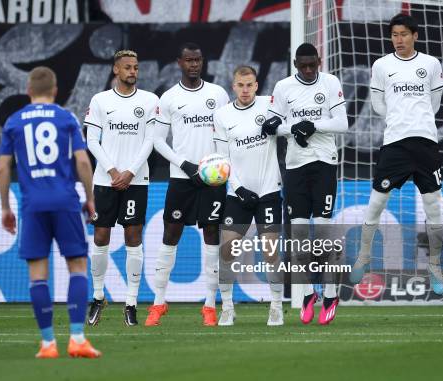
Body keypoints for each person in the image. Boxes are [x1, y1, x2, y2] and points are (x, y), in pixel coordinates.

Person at [0, 66, 101, 359]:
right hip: (66, 201)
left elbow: (4, 167)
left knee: (37, 275)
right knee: (78, 267)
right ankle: (78, 339)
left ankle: (47, 344)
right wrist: (90, 197)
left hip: (32, 205)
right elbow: (82, 162)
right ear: (55, 91)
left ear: (28, 90)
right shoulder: (66, 117)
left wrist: (5, 206)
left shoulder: (14, 122)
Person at [350, 14, 443, 295]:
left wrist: (417, 119)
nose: (399, 39)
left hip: (426, 143)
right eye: (394, 35)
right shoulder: (382, 65)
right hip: (395, 144)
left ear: (414, 35)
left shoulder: (430, 64)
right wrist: (399, 117)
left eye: (404, 34)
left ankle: (435, 266)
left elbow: (435, 104)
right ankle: (363, 257)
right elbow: (378, 104)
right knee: (376, 202)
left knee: (432, 206)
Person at [264, 42, 348, 325]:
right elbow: (272, 124)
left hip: (324, 162)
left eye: (314, 64)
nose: (310, 70)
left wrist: (313, 126)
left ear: (320, 61)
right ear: (295, 64)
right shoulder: (283, 87)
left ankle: (331, 294)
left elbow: (342, 123)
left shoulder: (331, 82)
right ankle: (310, 293)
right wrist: (292, 128)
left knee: (322, 232)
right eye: (304, 66)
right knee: (299, 234)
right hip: (296, 165)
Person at [147, 42, 229, 327]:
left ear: (202, 62)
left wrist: (217, 164)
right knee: (171, 235)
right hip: (182, 177)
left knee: (211, 236)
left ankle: (209, 305)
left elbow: (226, 131)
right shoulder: (169, 98)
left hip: (213, 178)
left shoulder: (217, 94)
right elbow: (157, 140)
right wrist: (185, 164)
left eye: (198, 60)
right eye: (189, 60)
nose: (194, 65)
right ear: (179, 63)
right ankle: (158, 302)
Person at [84, 50, 157, 327]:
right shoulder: (100, 100)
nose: (133, 72)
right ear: (116, 70)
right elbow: (92, 140)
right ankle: (98, 295)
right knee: (101, 236)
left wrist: (129, 172)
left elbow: (150, 140)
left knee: (133, 236)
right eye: (127, 67)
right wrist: (114, 171)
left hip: (136, 180)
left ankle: (131, 302)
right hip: (105, 180)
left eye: (136, 67)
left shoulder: (150, 100)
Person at [213, 65, 284, 326]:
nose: (245, 90)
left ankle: (276, 307)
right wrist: (239, 188)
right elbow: (222, 157)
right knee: (227, 250)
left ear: (257, 85)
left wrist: (278, 123)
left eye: (250, 85)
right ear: (234, 86)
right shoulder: (222, 116)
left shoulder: (270, 105)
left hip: (268, 191)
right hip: (238, 194)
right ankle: (228, 308)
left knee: (270, 251)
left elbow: (288, 116)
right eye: (240, 85)